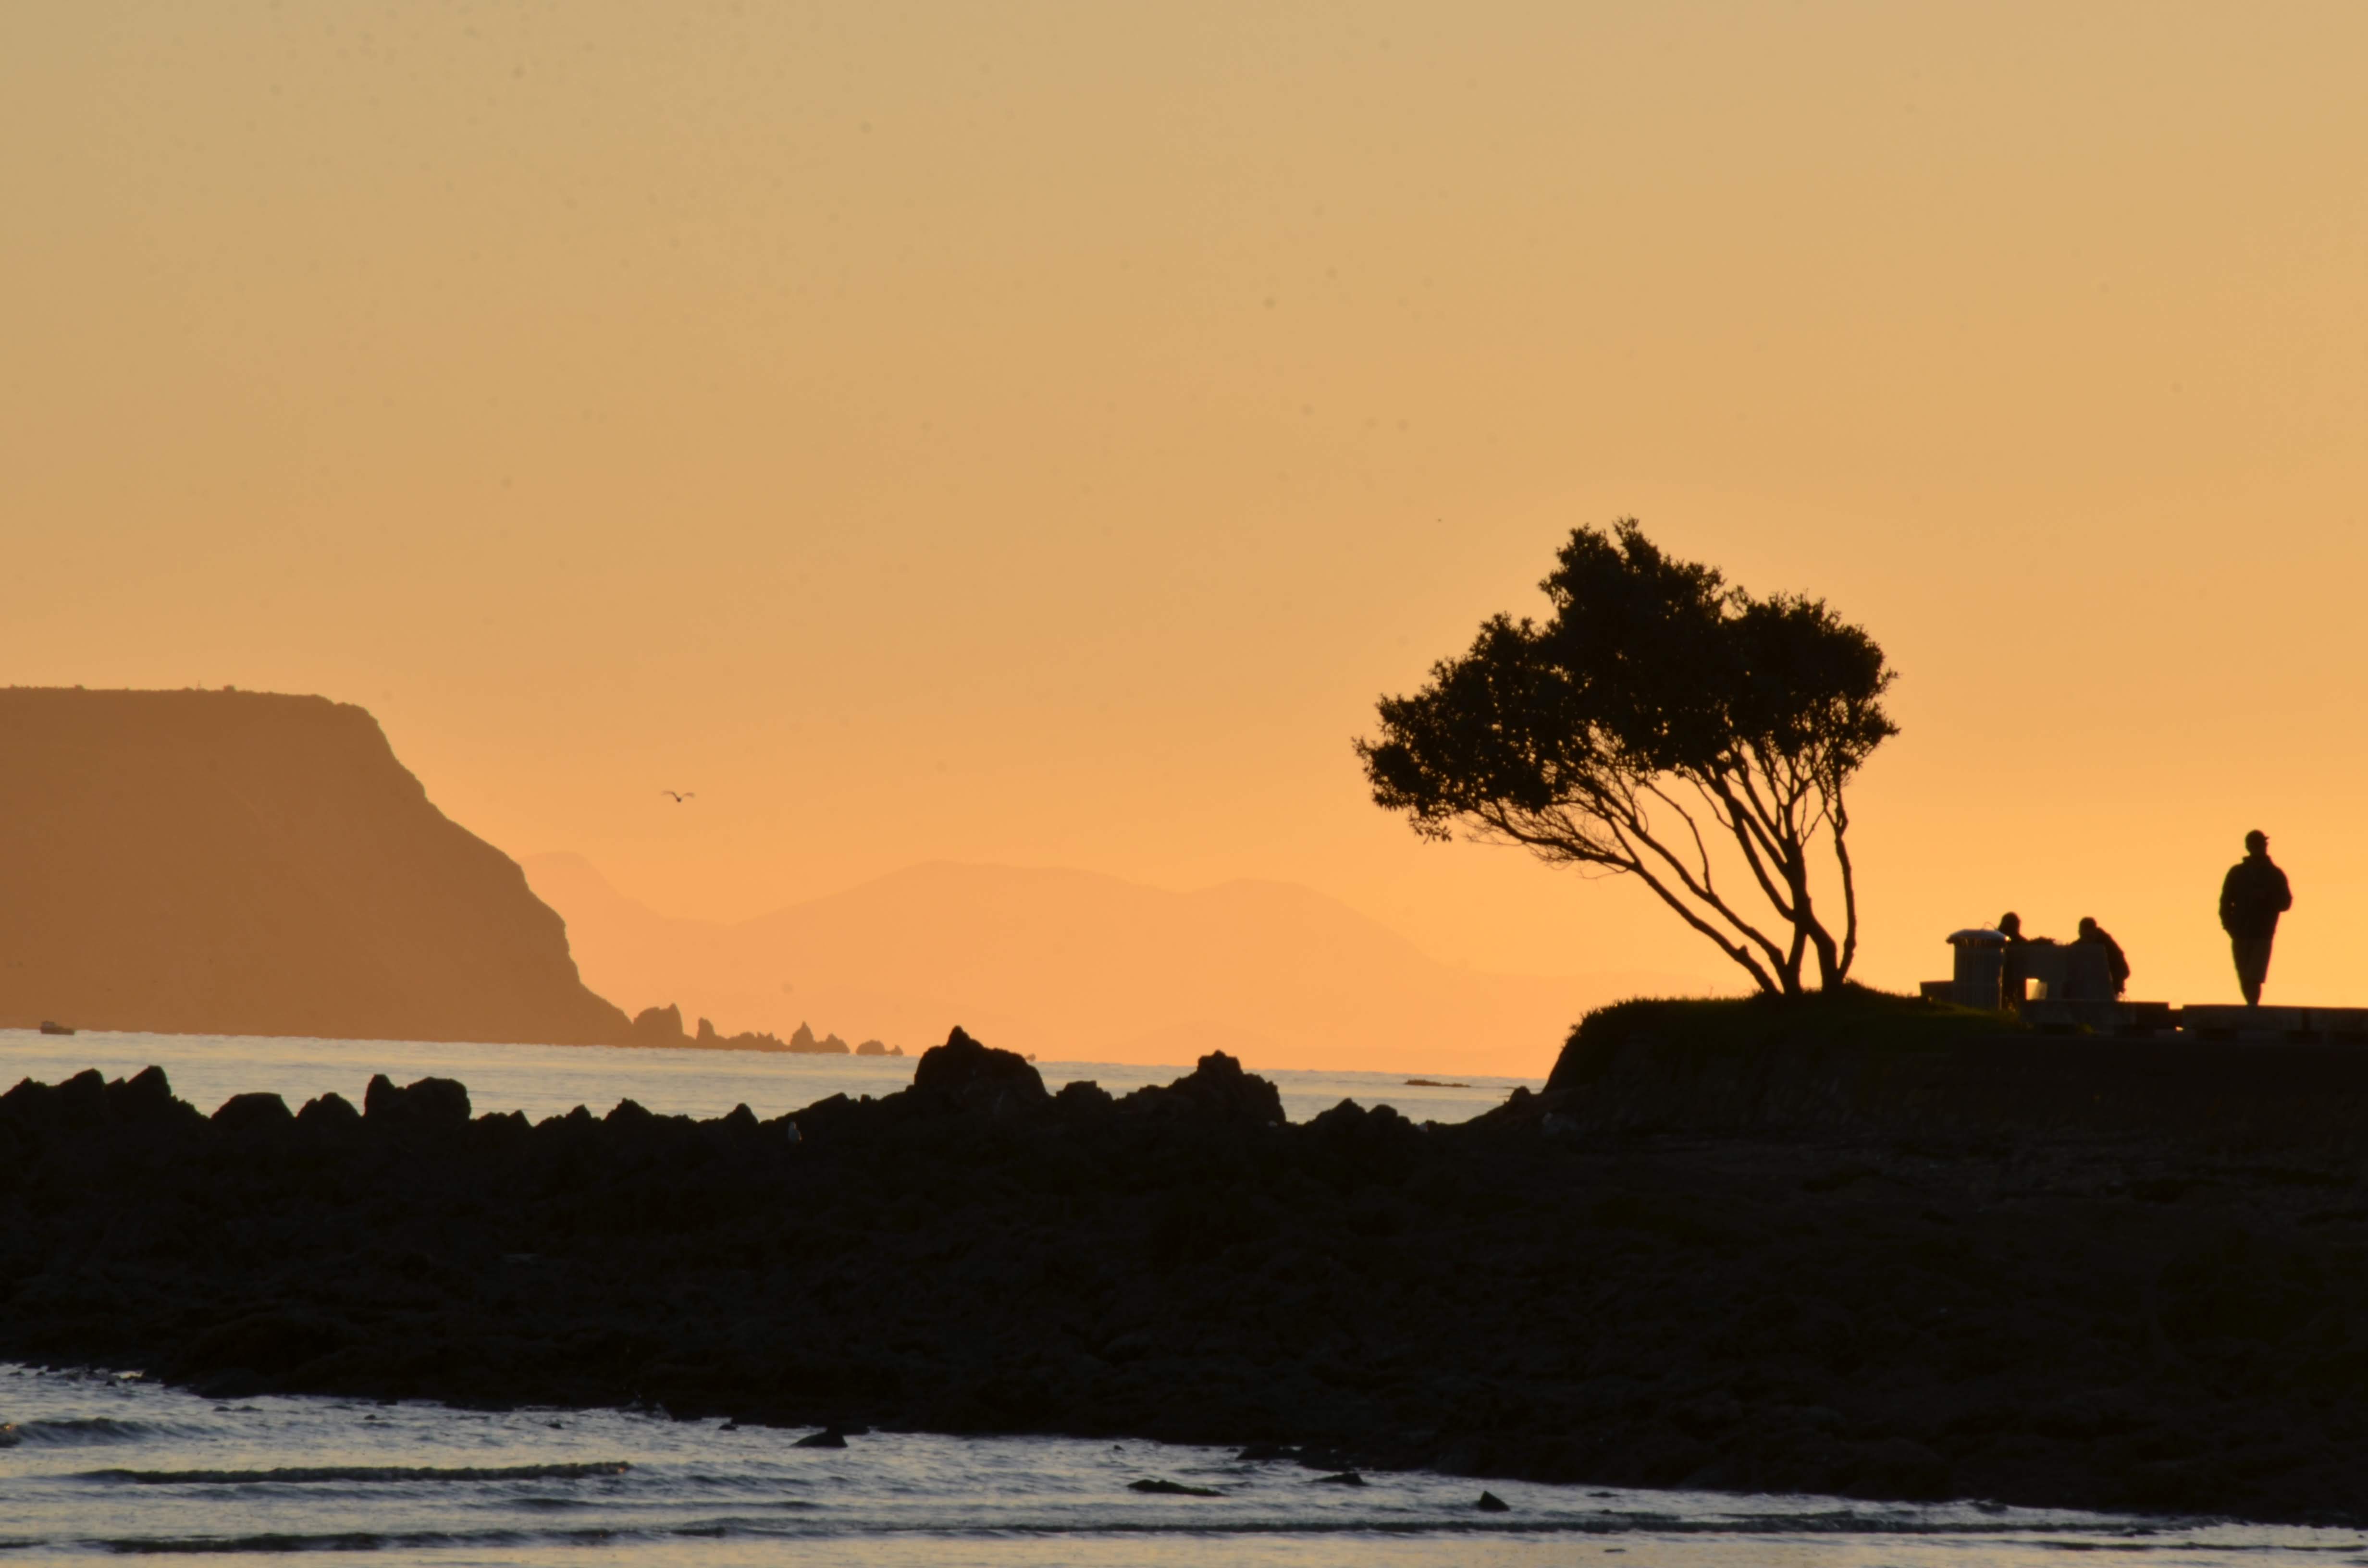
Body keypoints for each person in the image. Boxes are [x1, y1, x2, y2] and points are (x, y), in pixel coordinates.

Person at [2219, 830, 2293, 1006]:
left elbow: (2286, 903)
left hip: (2263, 934)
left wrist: (2266, 899)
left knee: (2254, 976)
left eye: (2261, 844)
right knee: (2245, 976)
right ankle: (2252, 1009)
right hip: (2240, 933)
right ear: (2248, 847)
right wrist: (2229, 926)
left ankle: (2253, 1009)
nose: (2259, 847)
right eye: (2255, 844)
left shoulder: (2275, 874)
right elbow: (2225, 901)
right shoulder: (2237, 873)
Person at [2073, 917, 2129, 998]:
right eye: (2084, 936)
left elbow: (2125, 971)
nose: (2087, 941)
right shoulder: (2077, 948)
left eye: (2089, 936)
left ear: (2095, 933)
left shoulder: (2110, 949)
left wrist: (2108, 981)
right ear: (2080, 933)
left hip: (2108, 995)